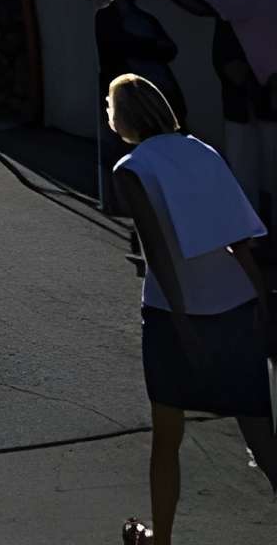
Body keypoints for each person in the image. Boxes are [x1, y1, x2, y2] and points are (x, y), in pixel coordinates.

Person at [107, 71, 277, 543]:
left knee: (167, 437)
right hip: (237, 304)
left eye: (110, 107)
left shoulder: (130, 168)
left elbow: (156, 252)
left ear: (124, 116)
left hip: (173, 314)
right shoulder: (203, 151)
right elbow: (238, 239)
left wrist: (181, 321)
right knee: (260, 435)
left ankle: (160, 539)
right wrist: (260, 299)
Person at [146, 0, 277, 222]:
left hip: (254, 92)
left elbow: (201, 7)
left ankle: (251, 225)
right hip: (252, 91)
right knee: (257, 158)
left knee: (251, 160)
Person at [95, 0, 187, 212]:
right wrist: (151, 46)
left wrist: (148, 47)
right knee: (130, 153)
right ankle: (132, 209)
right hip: (129, 97)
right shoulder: (106, 17)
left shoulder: (145, 19)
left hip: (159, 91)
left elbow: (169, 49)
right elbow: (118, 46)